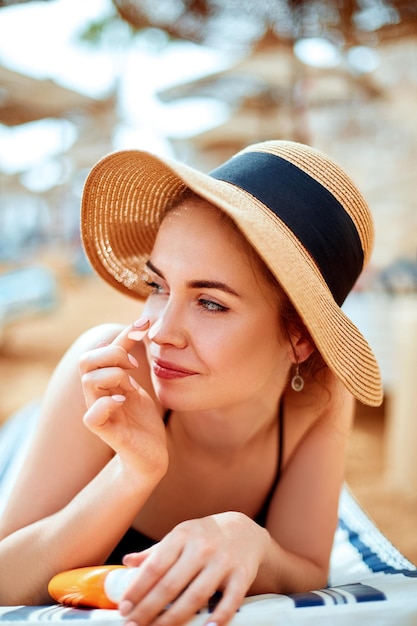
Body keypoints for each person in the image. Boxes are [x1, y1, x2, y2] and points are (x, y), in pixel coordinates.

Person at [0, 140, 382, 626]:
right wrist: (133, 472)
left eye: (211, 303)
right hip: (25, 437)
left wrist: (249, 538)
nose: (160, 333)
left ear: (300, 338)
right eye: (158, 286)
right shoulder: (109, 373)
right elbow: (6, 580)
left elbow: (305, 568)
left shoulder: (319, 397)